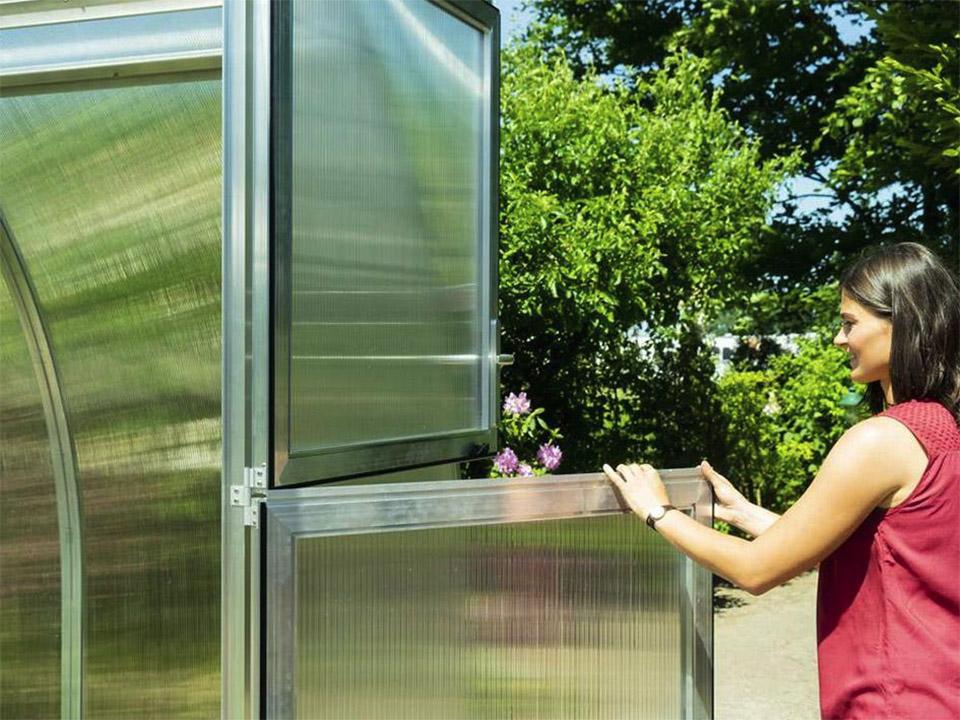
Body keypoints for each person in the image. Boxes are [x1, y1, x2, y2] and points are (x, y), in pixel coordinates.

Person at [603, 242, 960, 720]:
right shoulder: (944, 428)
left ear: (901, 322)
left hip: (893, 702)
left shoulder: (883, 441)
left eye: (850, 323)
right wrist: (742, 512)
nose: (838, 339)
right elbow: (871, 552)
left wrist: (657, 512)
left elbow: (756, 572)